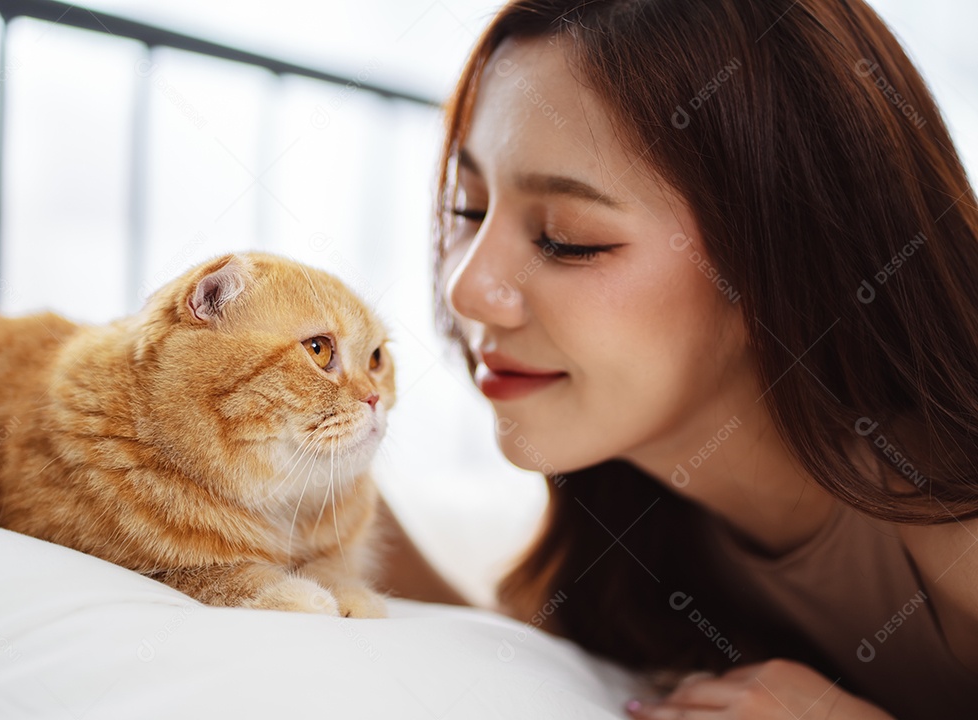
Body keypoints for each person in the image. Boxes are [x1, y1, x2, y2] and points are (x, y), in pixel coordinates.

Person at [374, 1, 978, 718]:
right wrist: (334, 515)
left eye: (567, 238)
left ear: (784, 264)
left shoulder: (948, 503)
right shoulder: (626, 517)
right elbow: (515, 663)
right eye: (469, 210)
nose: (466, 289)